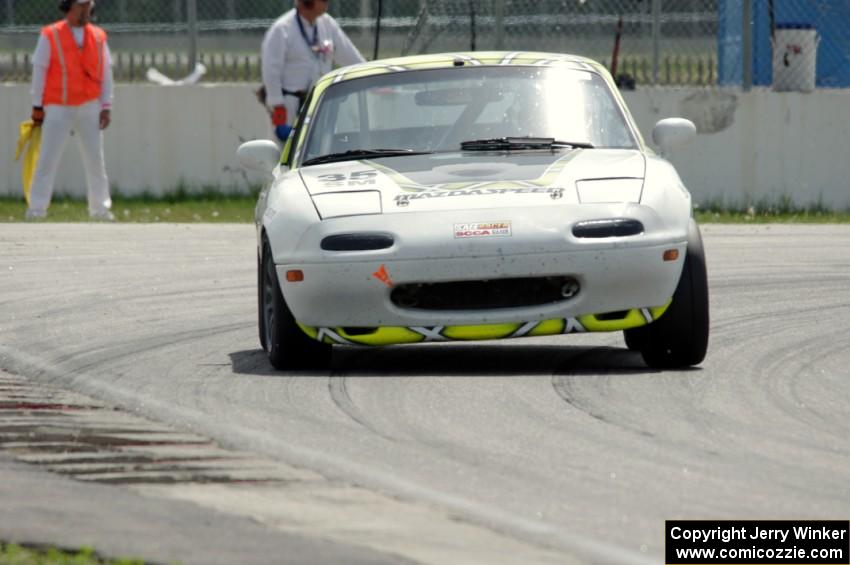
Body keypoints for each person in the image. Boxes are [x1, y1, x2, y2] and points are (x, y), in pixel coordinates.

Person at [26, 0, 114, 221]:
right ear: (68, 7)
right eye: (81, 5)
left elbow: (106, 73)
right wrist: (37, 105)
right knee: (47, 158)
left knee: (95, 160)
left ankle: (100, 209)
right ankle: (36, 209)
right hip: (58, 106)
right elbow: (40, 70)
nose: (86, 10)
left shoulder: (98, 36)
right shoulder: (51, 34)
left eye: (88, 5)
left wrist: (106, 106)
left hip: (89, 106)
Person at [261, 0, 365, 143]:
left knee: (321, 148)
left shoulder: (327, 24)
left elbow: (350, 55)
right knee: (283, 152)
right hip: (289, 105)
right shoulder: (282, 29)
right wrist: (278, 107)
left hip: (319, 102)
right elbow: (271, 71)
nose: (327, 2)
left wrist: (369, 74)